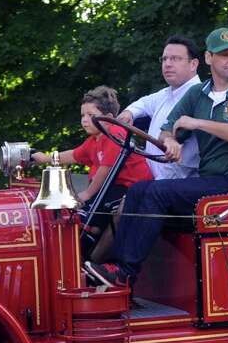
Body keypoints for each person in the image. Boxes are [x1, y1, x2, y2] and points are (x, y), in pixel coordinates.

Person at [87, 27, 228, 287]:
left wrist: (199, 123)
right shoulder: (197, 94)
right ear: (209, 58)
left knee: (156, 193)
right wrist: (171, 141)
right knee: (139, 190)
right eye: (224, 55)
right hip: (209, 181)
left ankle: (125, 274)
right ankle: (115, 269)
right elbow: (168, 128)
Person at [31, 86, 153, 235]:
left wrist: (88, 193)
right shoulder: (95, 139)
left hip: (131, 188)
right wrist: (45, 158)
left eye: (90, 115)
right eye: (83, 115)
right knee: (89, 203)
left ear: (108, 118)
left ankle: (88, 241)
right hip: (113, 186)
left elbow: (106, 169)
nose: (84, 120)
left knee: (93, 209)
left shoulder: (115, 133)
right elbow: (74, 155)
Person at [118, 35, 203, 179]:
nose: (168, 64)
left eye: (175, 59)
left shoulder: (202, 96)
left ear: (193, 64)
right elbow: (143, 103)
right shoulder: (166, 93)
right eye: (164, 59)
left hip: (178, 182)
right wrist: (129, 113)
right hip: (154, 178)